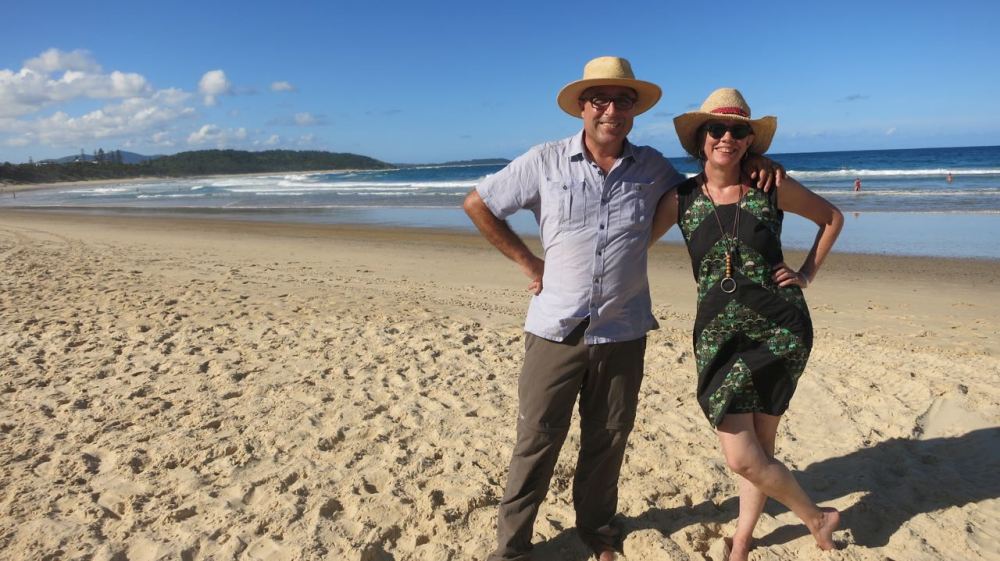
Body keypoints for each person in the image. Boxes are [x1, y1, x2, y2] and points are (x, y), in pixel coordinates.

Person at [464, 58, 784, 561]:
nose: (612, 110)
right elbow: (479, 203)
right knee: (536, 441)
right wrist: (528, 260)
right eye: (601, 100)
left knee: (608, 439)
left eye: (624, 101)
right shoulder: (544, 161)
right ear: (583, 107)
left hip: (622, 331)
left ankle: (596, 529)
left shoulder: (653, 168)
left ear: (634, 110)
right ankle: (512, 547)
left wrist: (757, 164)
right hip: (555, 329)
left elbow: (710, 182)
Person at [650, 88, 844, 561]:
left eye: (739, 131)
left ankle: (742, 538)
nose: (727, 138)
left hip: (781, 329)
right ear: (700, 139)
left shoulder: (770, 186)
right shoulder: (680, 198)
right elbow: (633, 245)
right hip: (718, 336)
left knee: (760, 448)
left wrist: (805, 275)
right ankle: (816, 517)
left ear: (748, 141)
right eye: (717, 129)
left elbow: (832, 218)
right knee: (743, 456)